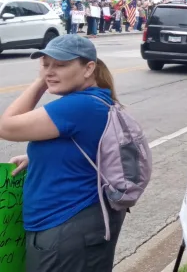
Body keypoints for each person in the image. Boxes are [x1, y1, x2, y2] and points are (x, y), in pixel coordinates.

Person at [0, 35, 126, 271]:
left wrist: (40, 83)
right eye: (45, 64)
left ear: (89, 68)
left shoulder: (78, 106)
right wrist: (37, 158)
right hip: (74, 224)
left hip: (66, 226)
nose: (50, 71)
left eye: (60, 65)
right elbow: (88, 148)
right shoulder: (94, 100)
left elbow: (5, 127)